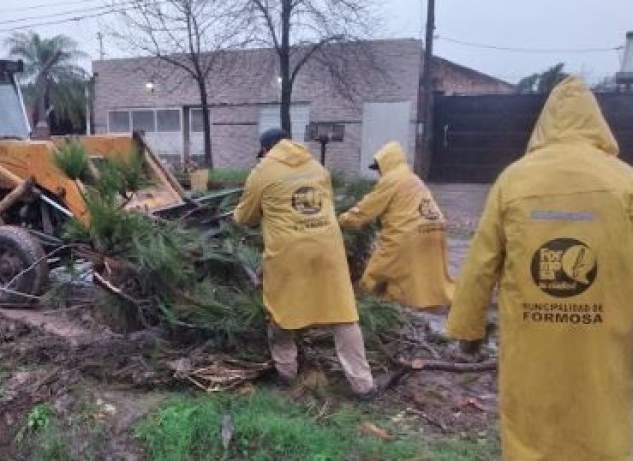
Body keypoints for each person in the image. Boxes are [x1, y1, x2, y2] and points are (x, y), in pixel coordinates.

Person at [446, 77, 633, 460]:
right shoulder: (624, 181)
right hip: (606, 338)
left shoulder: (514, 179)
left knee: (531, 424)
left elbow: (481, 263)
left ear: (545, 122)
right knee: (603, 418)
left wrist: (468, 329)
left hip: (531, 337)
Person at [234, 128, 375, 397]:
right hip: (328, 249)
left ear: (265, 150)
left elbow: (245, 218)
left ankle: (286, 374)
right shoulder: (316, 166)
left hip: (289, 252)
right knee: (343, 315)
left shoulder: (262, 171)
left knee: (280, 313)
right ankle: (364, 385)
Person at [338, 142, 454, 310]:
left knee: (378, 271)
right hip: (435, 228)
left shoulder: (391, 179)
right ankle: (429, 302)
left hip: (408, 233)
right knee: (425, 273)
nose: (378, 172)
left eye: (378, 168)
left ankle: (362, 304)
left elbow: (366, 209)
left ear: (386, 163)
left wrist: (341, 221)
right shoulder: (412, 178)